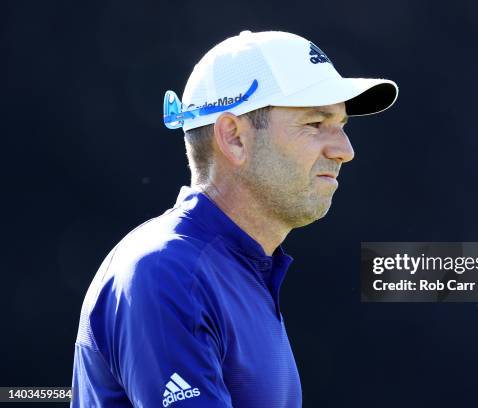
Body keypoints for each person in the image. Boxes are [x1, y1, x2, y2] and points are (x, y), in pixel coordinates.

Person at [71, 30, 398, 408]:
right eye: (315, 123)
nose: (345, 150)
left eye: (342, 125)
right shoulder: (168, 272)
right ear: (234, 138)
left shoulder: (237, 269)